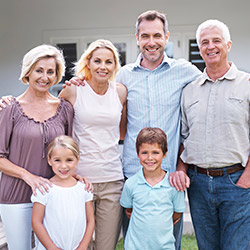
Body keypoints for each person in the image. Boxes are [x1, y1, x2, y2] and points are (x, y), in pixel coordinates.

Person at [65, 10, 201, 249]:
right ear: (137, 38)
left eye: (157, 35)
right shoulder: (122, 77)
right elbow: (97, 93)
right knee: (134, 242)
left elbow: (212, 81)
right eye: (145, 36)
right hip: (130, 173)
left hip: (168, 177)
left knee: (168, 242)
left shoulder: (185, 71)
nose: (151, 42)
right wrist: (78, 80)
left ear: (167, 37)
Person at [171, 19, 250, 249]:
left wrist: (246, 179)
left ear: (228, 45)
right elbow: (184, 139)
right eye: (204, 42)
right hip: (198, 185)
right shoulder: (189, 90)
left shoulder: (246, 84)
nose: (210, 46)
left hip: (236, 182)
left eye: (216, 40)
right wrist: (180, 169)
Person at [0, 44, 74, 250]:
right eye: (39, 70)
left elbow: (71, 151)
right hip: (16, 196)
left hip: (54, 195)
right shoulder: (9, 108)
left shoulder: (65, 109)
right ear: (28, 71)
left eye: (50, 72)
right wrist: (28, 176)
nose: (44, 77)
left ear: (57, 75)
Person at [59, 39, 127, 250]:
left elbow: (122, 131)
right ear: (87, 63)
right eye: (97, 61)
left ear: (115, 65)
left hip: (112, 180)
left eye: (109, 62)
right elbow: (54, 122)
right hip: (79, 180)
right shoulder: (73, 91)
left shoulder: (120, 92)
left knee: (106, 245)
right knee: (80, 244)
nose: (103, 66)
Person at [120, 127, 185, 249]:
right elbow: (128, 210)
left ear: (164, 154)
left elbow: (176, 215)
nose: (150, 158)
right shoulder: (131, 184)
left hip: (164, 247)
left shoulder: (173, 185)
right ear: (137, 154)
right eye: (144, 153)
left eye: (155, 152)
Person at [31, 135, 95, 250]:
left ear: (78, 159)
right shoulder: (44, 189)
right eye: (57, 160)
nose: (63, 166)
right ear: (49, 160)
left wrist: (83, 246)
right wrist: (52, 248)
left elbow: (90, 221)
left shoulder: (84, 189)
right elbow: (36, 222)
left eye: (69, 160)